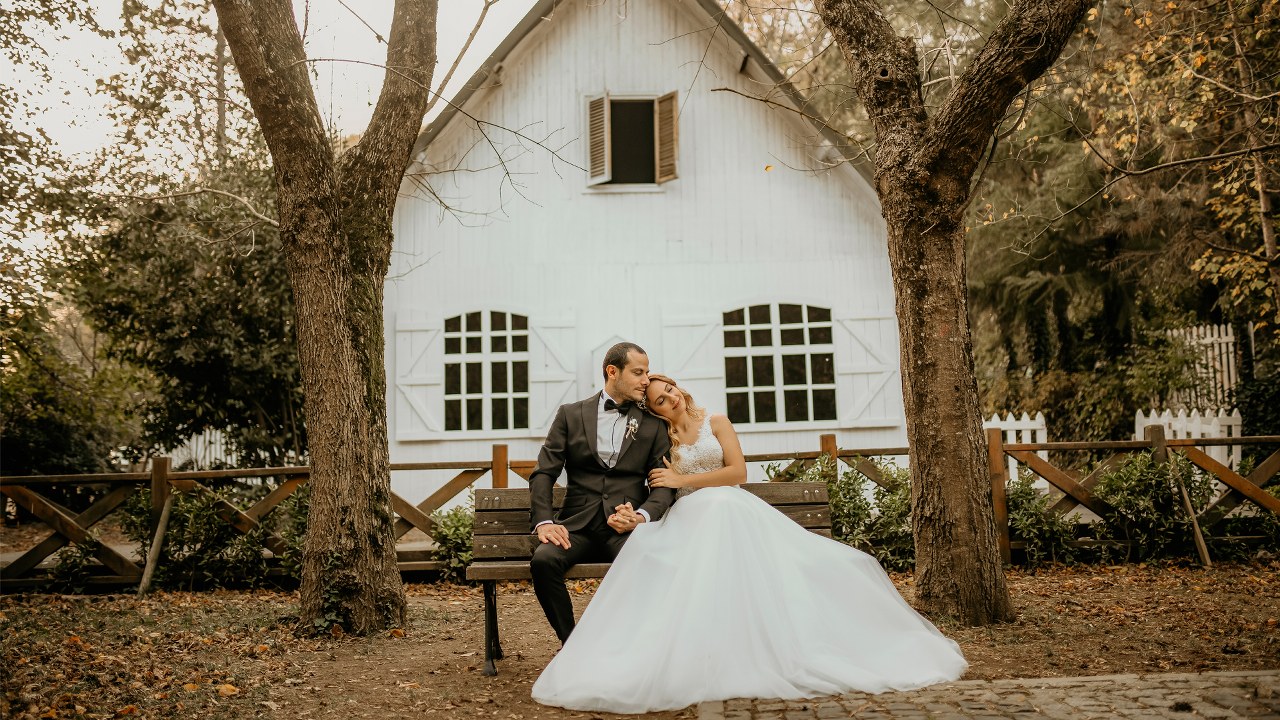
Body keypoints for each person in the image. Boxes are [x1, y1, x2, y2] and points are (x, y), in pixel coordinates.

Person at [531, 374, 968, 714]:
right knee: (667, 558)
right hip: (687, 517)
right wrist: (647, 504)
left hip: (729, 507)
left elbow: (737, 473)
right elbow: (657, 483)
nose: (670, 398)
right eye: (660, 398)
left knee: (726, 520)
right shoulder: (660, 437)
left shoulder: (716, 422)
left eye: (670, 389)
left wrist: (678, 482)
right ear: (654, 409)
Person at [527, 342, 677, 645]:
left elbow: (664, 486)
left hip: (624, 529)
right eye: (638, 372)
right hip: (576, 526)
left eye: (647, 372)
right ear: (612, 371)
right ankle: (572, 645)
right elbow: (544, 472)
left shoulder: (653, 424)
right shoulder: (570, 415)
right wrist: (544, 522)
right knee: (543, 561)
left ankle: (632, 645)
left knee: (646, 562)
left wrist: (640, 517)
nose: (646, 380)